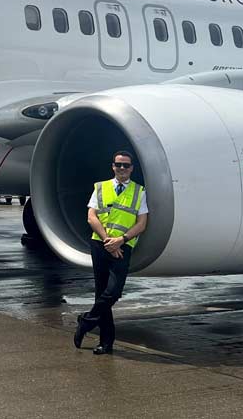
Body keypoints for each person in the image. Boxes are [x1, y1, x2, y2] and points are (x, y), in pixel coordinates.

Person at [73, 150, 148, 355]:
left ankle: (86, 322)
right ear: (113, 166)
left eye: (126, 165)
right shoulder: (101, 188)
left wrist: (120, 241)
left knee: (114, 291)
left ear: (132, 168)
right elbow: (91, 217)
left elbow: (142, 223)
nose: (122, 168)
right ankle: (106, 343)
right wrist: (108, 242)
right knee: (101, 292)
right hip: (101, 244)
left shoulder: (139, 192)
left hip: (123, 246)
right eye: (118, 165)